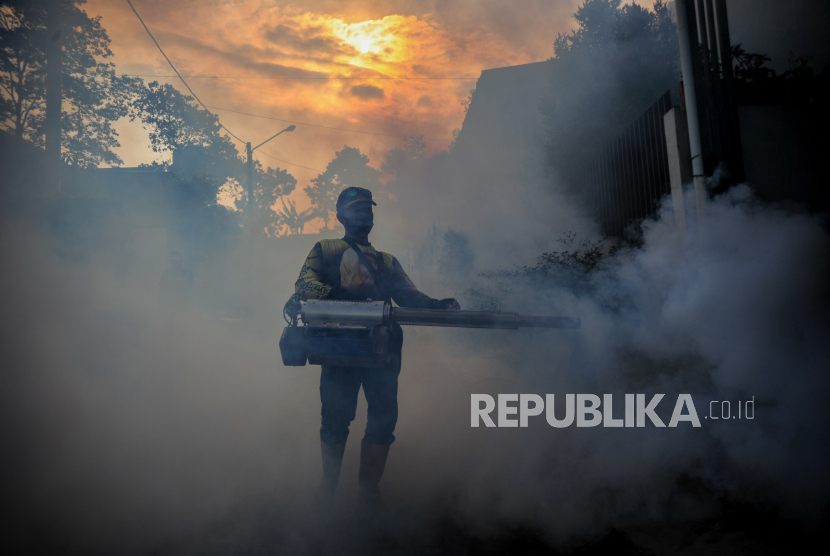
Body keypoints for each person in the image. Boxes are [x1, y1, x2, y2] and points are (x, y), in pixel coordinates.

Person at [294, 186, 459, 510]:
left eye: (368, 210)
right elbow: (303, 283)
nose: (363, 216)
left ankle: (368, 491)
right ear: (340, 215)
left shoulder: (386, 261)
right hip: (339, 346)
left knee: (383, 418)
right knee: (335, 418)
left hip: (380, 348)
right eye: (356, 210)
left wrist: (438, 304)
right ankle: (328, 487)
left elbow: (410, 296)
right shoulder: (325, 248)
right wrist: (335, 293)